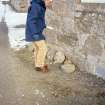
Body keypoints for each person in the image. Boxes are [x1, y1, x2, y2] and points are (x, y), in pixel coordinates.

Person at [25, 0, 52, 72]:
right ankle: (40, 65)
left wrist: (44, 25)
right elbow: (31, 20)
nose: (50, 2)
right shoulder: (36, 6)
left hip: (35, 31)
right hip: (34, 32)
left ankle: (37, 65)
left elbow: (38, 19)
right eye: (49, 1)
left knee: (37, 48)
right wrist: (35, 33)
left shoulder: (39, 5)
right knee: (43, 48)